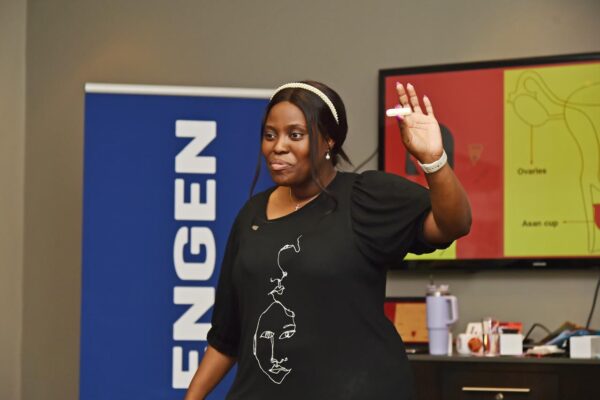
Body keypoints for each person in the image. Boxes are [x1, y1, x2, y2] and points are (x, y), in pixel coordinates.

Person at [184, 80, 471, 399]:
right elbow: (226, 335)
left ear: (329, 140)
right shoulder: (252, 215)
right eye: (270, 135)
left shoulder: (364, 198)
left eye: (295, 135)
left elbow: (453, 224)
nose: (278, 146)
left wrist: (434, 160)